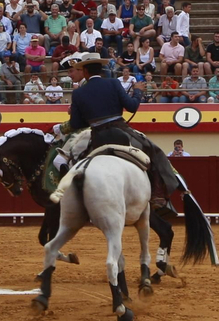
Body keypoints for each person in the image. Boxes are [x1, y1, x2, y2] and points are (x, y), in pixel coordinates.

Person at [59, 51, 178, 210]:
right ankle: (158, 194)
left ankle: (74, 197)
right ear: (100, 69)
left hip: (96, 135)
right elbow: (132, 106)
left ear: (85, 71)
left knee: (73, 159)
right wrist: (137, 91)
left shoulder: (78, 93)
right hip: (120, 130)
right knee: (153, 151)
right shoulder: (114, 83)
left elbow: (75, 123)